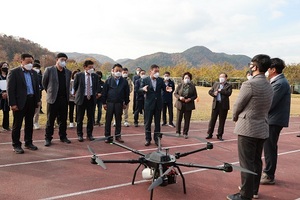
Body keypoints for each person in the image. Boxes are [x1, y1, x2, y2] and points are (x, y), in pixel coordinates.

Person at [227, 54, 274, 200]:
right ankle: (253, 190)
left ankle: (244, 195)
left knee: (246, 163)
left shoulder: (250, 84)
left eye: (251, 64)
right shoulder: (269, 84)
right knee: (256, 161)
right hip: (262, 127)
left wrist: (235, 118)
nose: (250, 66)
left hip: (247, 127)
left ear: (255, 67)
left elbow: (238, 105)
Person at [260, 58, 291, 185]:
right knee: (269, 147)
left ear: (273, 69)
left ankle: (269, 174)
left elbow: (270, 103)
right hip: (273, 119)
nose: (266, 71)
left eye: (267, 68)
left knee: (270, 148)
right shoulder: (278, 82)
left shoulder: (279, 83)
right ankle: (268, 172)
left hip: (273, 120)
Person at [7, 53, 41, 154]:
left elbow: (36, 88)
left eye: (31, 62)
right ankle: (16, 145)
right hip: (19, 102)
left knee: (29, 123)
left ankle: (28, 142)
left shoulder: (34, 73)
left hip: (31, 101)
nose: (30, 64)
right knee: (17, 125)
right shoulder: (14, 72)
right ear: (21, 61)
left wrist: (38, 100)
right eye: (27, 62)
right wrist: (12, 104)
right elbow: (10, 89)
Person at [42, 53, 72, 146]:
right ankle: (48, 138)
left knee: (63, 119)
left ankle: (63, 136)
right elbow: (44, 83)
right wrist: (50, 92)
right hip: (53, 99)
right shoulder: (49, 70)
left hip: (64, 99)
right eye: (62, 59)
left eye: (65, 60)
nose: (63, 62)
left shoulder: (68, 72)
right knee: (50, 120)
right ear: (57, 60)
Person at [140, 64, 172, 146]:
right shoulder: (145, 80)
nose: (157, 73)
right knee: (148, 123)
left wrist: (167, 89)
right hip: (148, 104)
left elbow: (164, 89)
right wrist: (143, 89)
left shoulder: (160, 80)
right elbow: (139, 89)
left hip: (158, 105)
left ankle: (157, 139)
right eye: (155, 71)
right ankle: (148, 139)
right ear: (150, 71)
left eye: (158, 71)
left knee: (157, 123)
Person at [102, 63, 129, 143]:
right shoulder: (108, 81)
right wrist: (104, 103)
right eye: (116, 70)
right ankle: (107, 136)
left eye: (120, 71)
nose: (118, 72)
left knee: (118, 120)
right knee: (108, 120)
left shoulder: (124, 82)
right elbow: (104, 93)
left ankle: (118, 136)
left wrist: (126, 103)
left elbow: (126, 93)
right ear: (112, 71)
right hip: (110, 103)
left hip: (119, 104)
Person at [74, 60, 100, 142]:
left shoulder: (95, 76)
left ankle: (89, 134)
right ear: (85, 67)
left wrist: (97, 93)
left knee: (91, 118)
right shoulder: (78, 75)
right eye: (89, 67)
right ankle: (80, 134)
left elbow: (97, 87)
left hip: (91, 99)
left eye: (92, 67)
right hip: (81, 99)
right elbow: (75, 87)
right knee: (79, 118)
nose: (91, 69)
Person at [206, 73, 232, 141]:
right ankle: (209, 133)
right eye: (220, 76)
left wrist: (221, 90)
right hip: (216, 104)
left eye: (223, 77)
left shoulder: (228, 85)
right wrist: (213, 93)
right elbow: (210, 91)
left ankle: (219, 135)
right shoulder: (216, 84)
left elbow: (228, 93)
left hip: (223, 105)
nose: (221, 78)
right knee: (212, 120)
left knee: (222, 121)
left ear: (226, 78)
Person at [174, 72, 197, 139]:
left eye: (188, 78)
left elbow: (195, 95)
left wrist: (190, 99)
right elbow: (175, 93)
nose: (187, 79)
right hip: (180, 104)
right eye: (185, 78)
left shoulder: (193, 86)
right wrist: (180, 97)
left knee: (187, 119)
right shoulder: (180, 85)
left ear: (190, 79)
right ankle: (177, 132)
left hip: (189, 104)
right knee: (179, 119)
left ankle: (185, 133)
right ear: (183, 78)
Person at [33, 60, 44, 130]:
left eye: (38, 68)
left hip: (38, 95)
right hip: (30, 96)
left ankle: (36, 122)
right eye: (35, 68)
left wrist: (40, 88)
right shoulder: (29, 75)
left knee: (37, 110)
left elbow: (43, 85)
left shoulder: (40, 76)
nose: (37, 69)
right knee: (30, 111)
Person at [0, 62, 11, 132]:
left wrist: (7, 93)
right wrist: (1, 93)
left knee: (6, 111)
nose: (5, 67)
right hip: (0, 95)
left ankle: (6, 126)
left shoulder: (9, 76)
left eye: (6, 66)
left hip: (7, 96)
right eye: (4, 66)